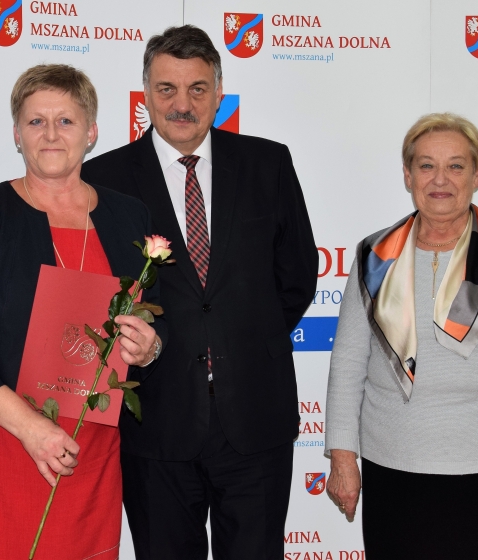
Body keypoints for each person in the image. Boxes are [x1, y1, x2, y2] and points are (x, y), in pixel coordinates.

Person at [81, 25, 317, 560]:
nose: (182, 104)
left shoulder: (268, 164)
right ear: (145, 93)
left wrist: (239, 339)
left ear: (218, 92)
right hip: (155, 421)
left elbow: (297, 276)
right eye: (167, 89)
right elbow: (97, 292)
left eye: (197, 89)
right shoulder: (102, 179)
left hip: (255, 416)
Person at [0, 64, 165, 560]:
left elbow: (148, 324)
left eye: (66, 121)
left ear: (91, 132)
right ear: (17, 134)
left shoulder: (130, 217)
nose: (51, 134)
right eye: (36, 121)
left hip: (87, 462)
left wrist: (150, 347)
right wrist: (31, 428)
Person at [324, 113, 478, 559]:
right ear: (407, 175)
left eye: (456, 166)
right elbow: (348, 364)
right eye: (426, 165)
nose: (440, 180)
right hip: (394, 472)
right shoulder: (374, 256)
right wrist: (342, 457)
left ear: (477, 175)